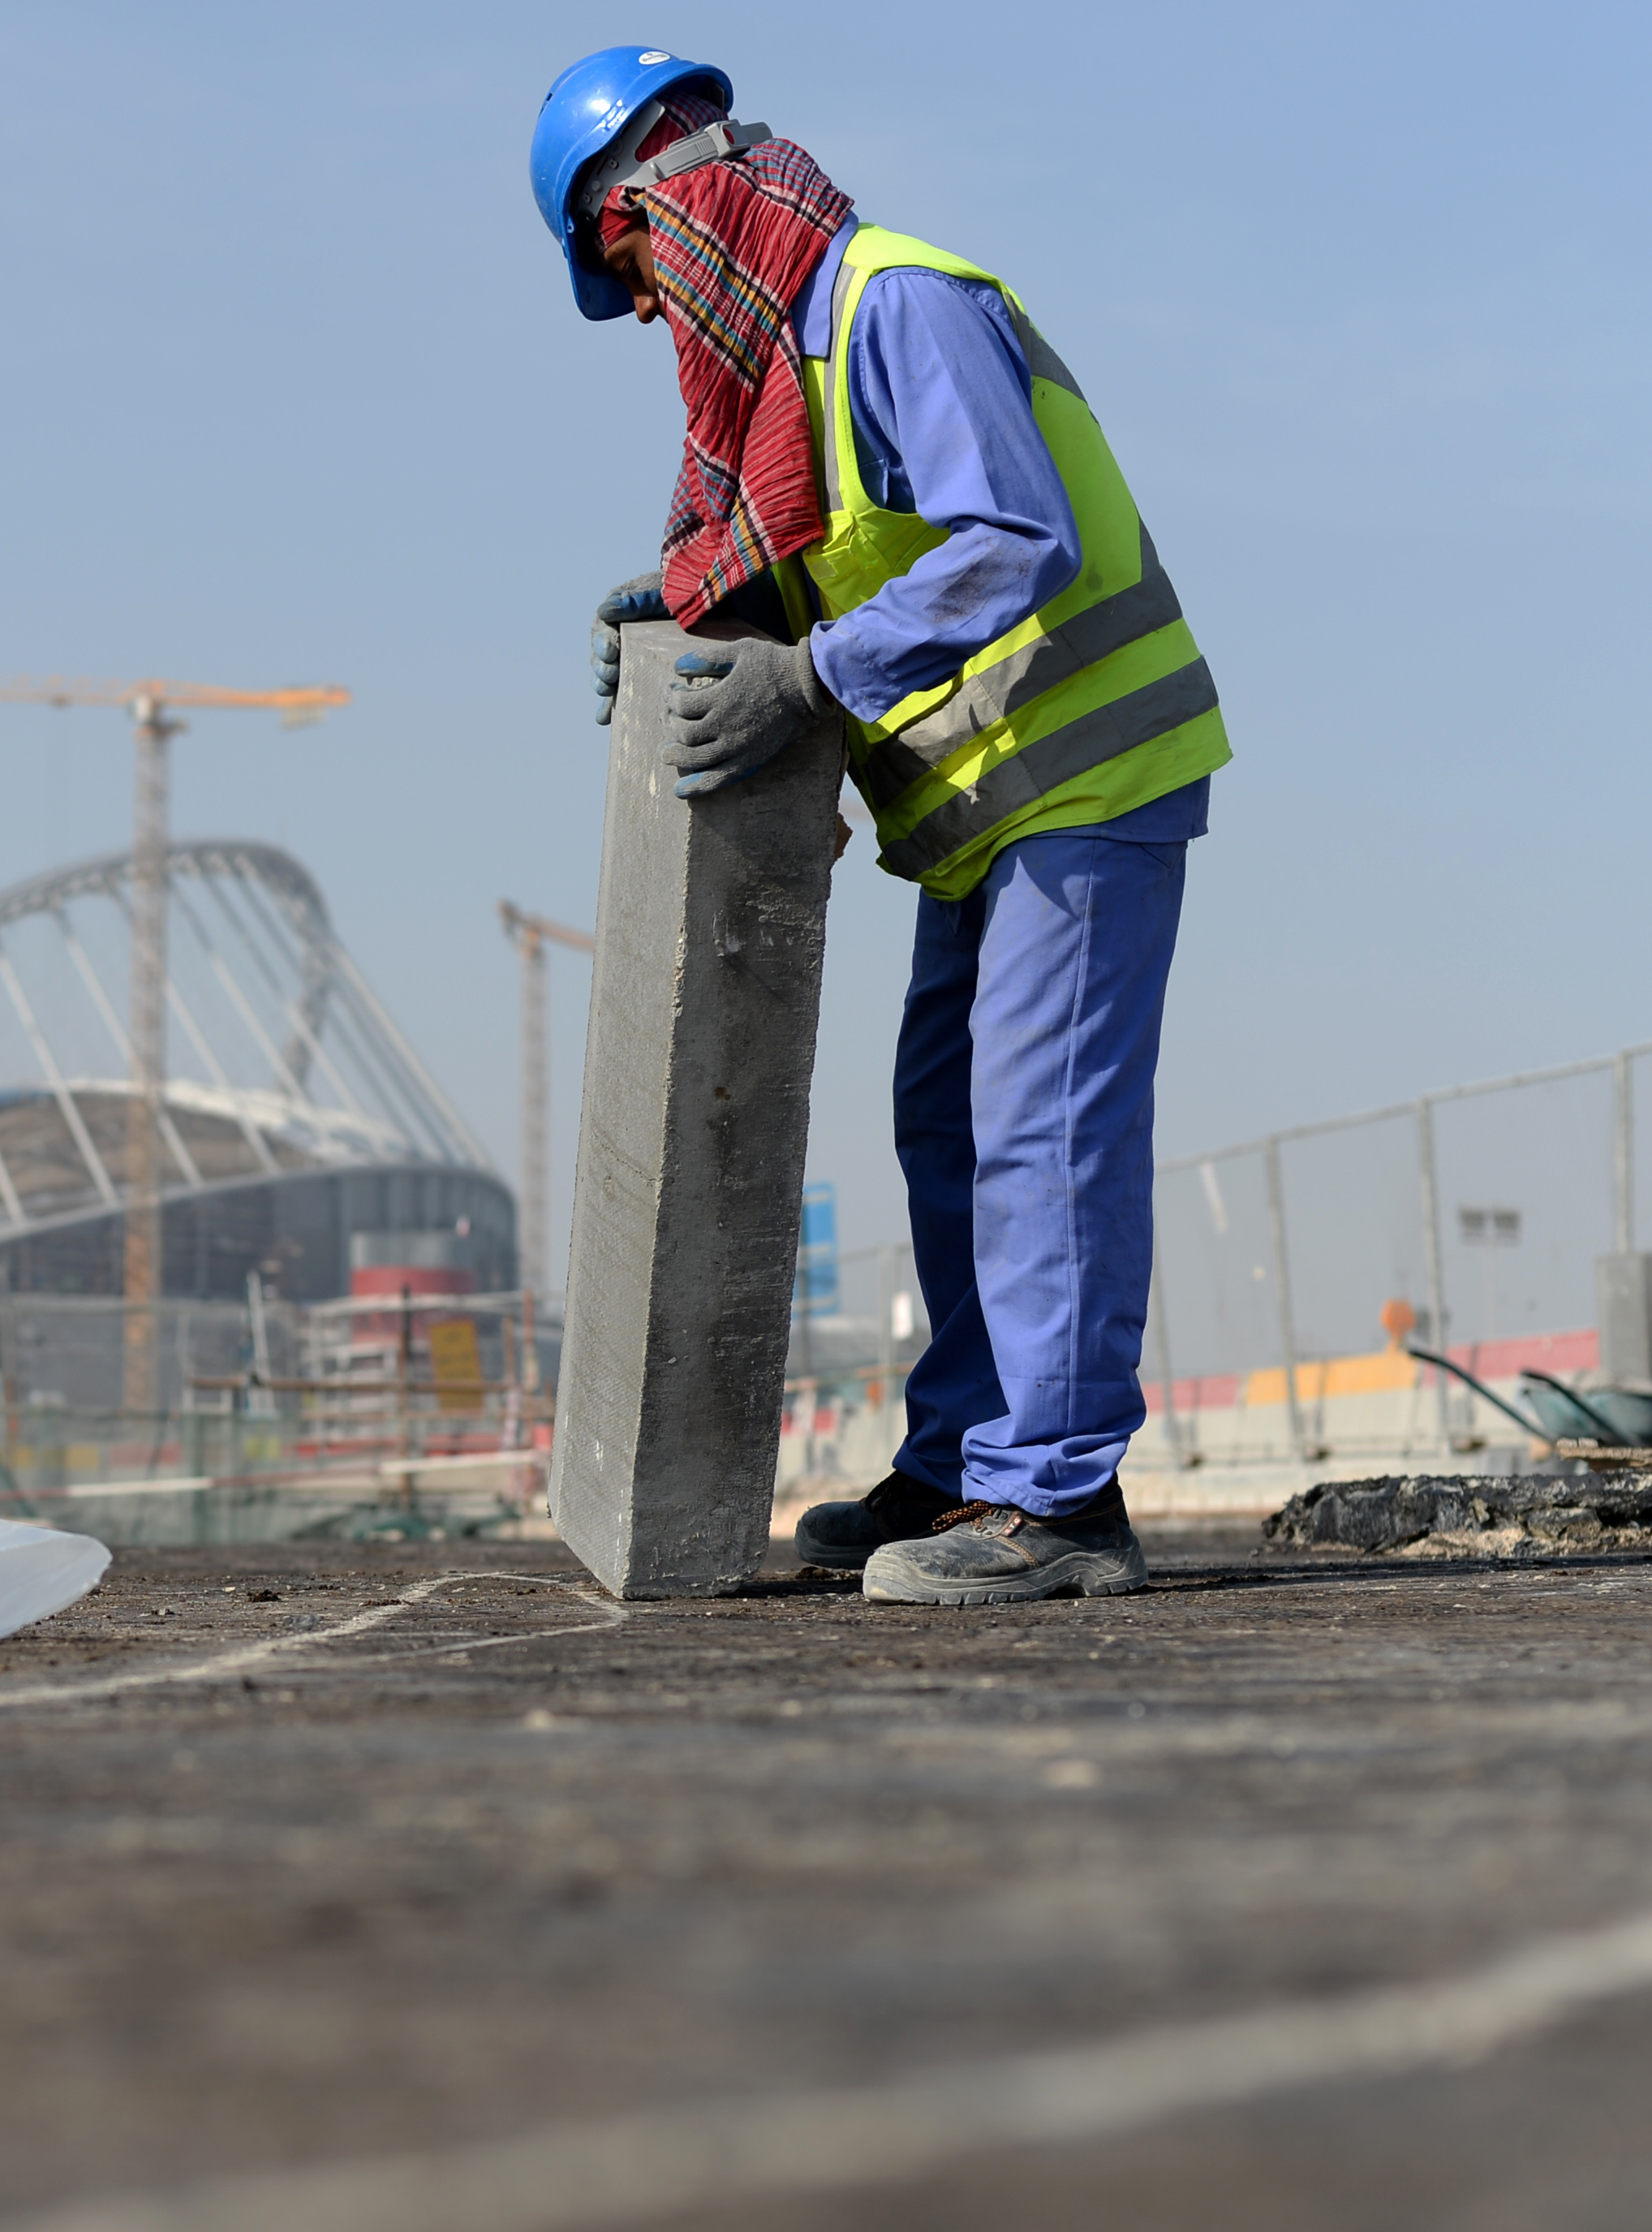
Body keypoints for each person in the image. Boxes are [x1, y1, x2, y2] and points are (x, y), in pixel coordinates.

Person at [532, 48, 1228, 1606]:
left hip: (1084, 781)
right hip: (989, 811)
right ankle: (970, 1452)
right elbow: (847, 539)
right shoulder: (802, 362)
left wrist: (805, 670)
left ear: (668, 200)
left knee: (1040, 1131)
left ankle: (1057, 1505)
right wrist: (690, 602)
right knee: (950, 1127)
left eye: (623, 261)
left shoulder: (891, 305)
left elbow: (1013, 540)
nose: (641, 309)